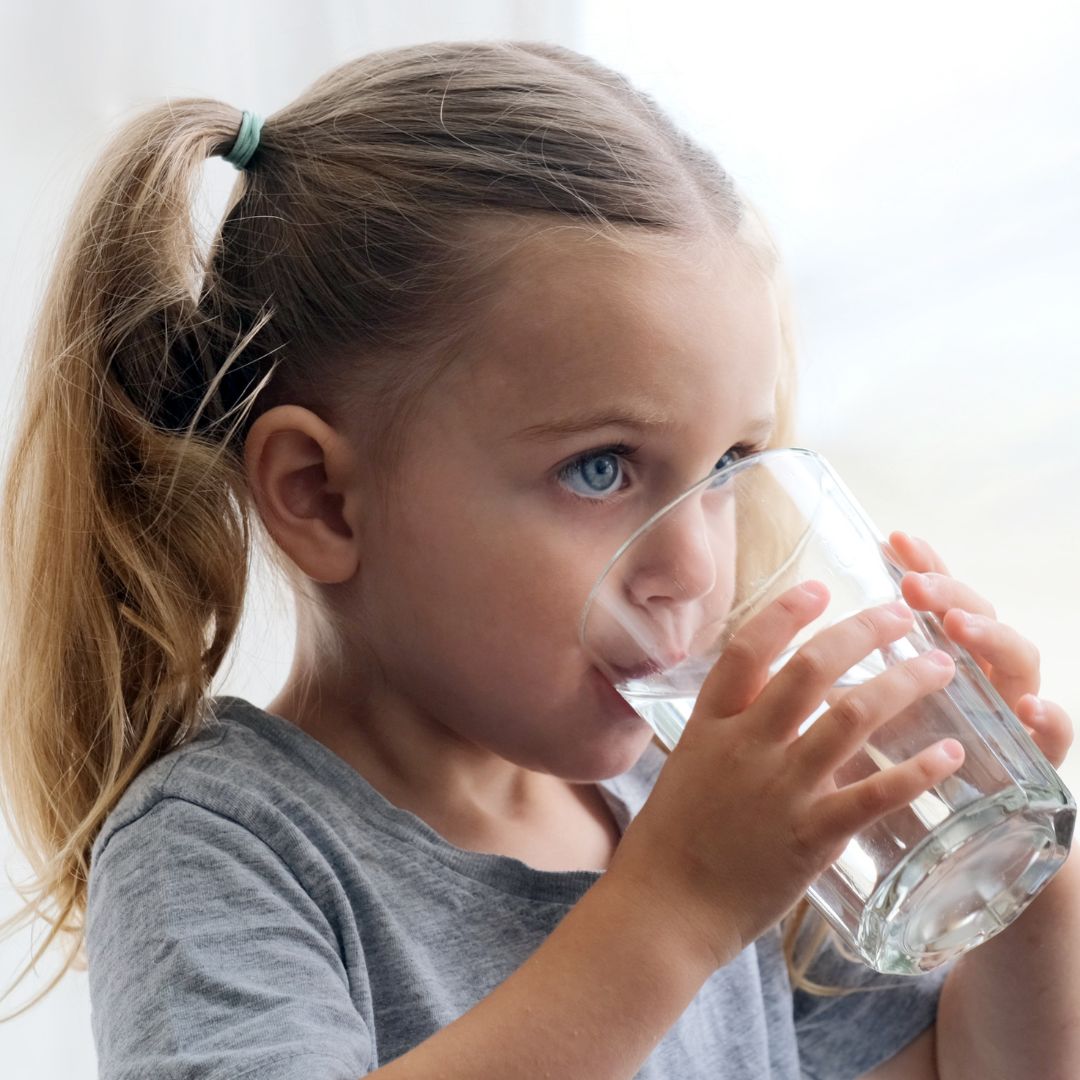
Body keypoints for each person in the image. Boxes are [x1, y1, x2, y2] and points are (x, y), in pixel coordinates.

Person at [0, 39, 1075, 1080]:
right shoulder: (223, 852)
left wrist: (1022, 870)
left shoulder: (687, 800)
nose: (697, 565)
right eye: (603, 469)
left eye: (731, 462)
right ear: (322, 497)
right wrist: (676, 911)